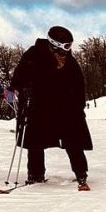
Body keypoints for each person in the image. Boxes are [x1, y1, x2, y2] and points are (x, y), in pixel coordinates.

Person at [11, 26, 92, 189]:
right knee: (35, 140)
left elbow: (78, 83)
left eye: (70, 46)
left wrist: (78, 104)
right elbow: (19, 77)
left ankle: (81, 172)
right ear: (55, 44)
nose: (68, 50)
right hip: (39, 107)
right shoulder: (33, 55)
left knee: (72, 138)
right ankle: (35, 174)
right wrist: (23, 88)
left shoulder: (70, 60)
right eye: (66, 46)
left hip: (64, 107)